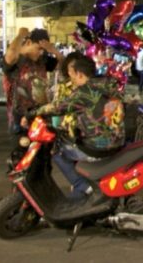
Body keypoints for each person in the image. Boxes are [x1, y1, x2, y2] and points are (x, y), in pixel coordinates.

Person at [32, 54, 125, 200]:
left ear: (80, 74)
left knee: (57, 150)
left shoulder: (85, 92)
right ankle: (80, 191)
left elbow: (58, 108)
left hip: (99, 146)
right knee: (71, 140)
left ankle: (83, 186)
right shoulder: (108, 84)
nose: (71, 78)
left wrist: (32, 113)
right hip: (117, 140)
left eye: (72, 74)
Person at [3, 28, 62, 140]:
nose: (41, 53)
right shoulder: (17, 60)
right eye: (39, 49)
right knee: (23, 152)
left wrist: (54, 51)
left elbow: (65, 66)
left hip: (41, 114)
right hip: (19, 115)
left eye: (43, 50)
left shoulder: (43, 60)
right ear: (29, 42)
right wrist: (20, 36)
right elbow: (10, 56)